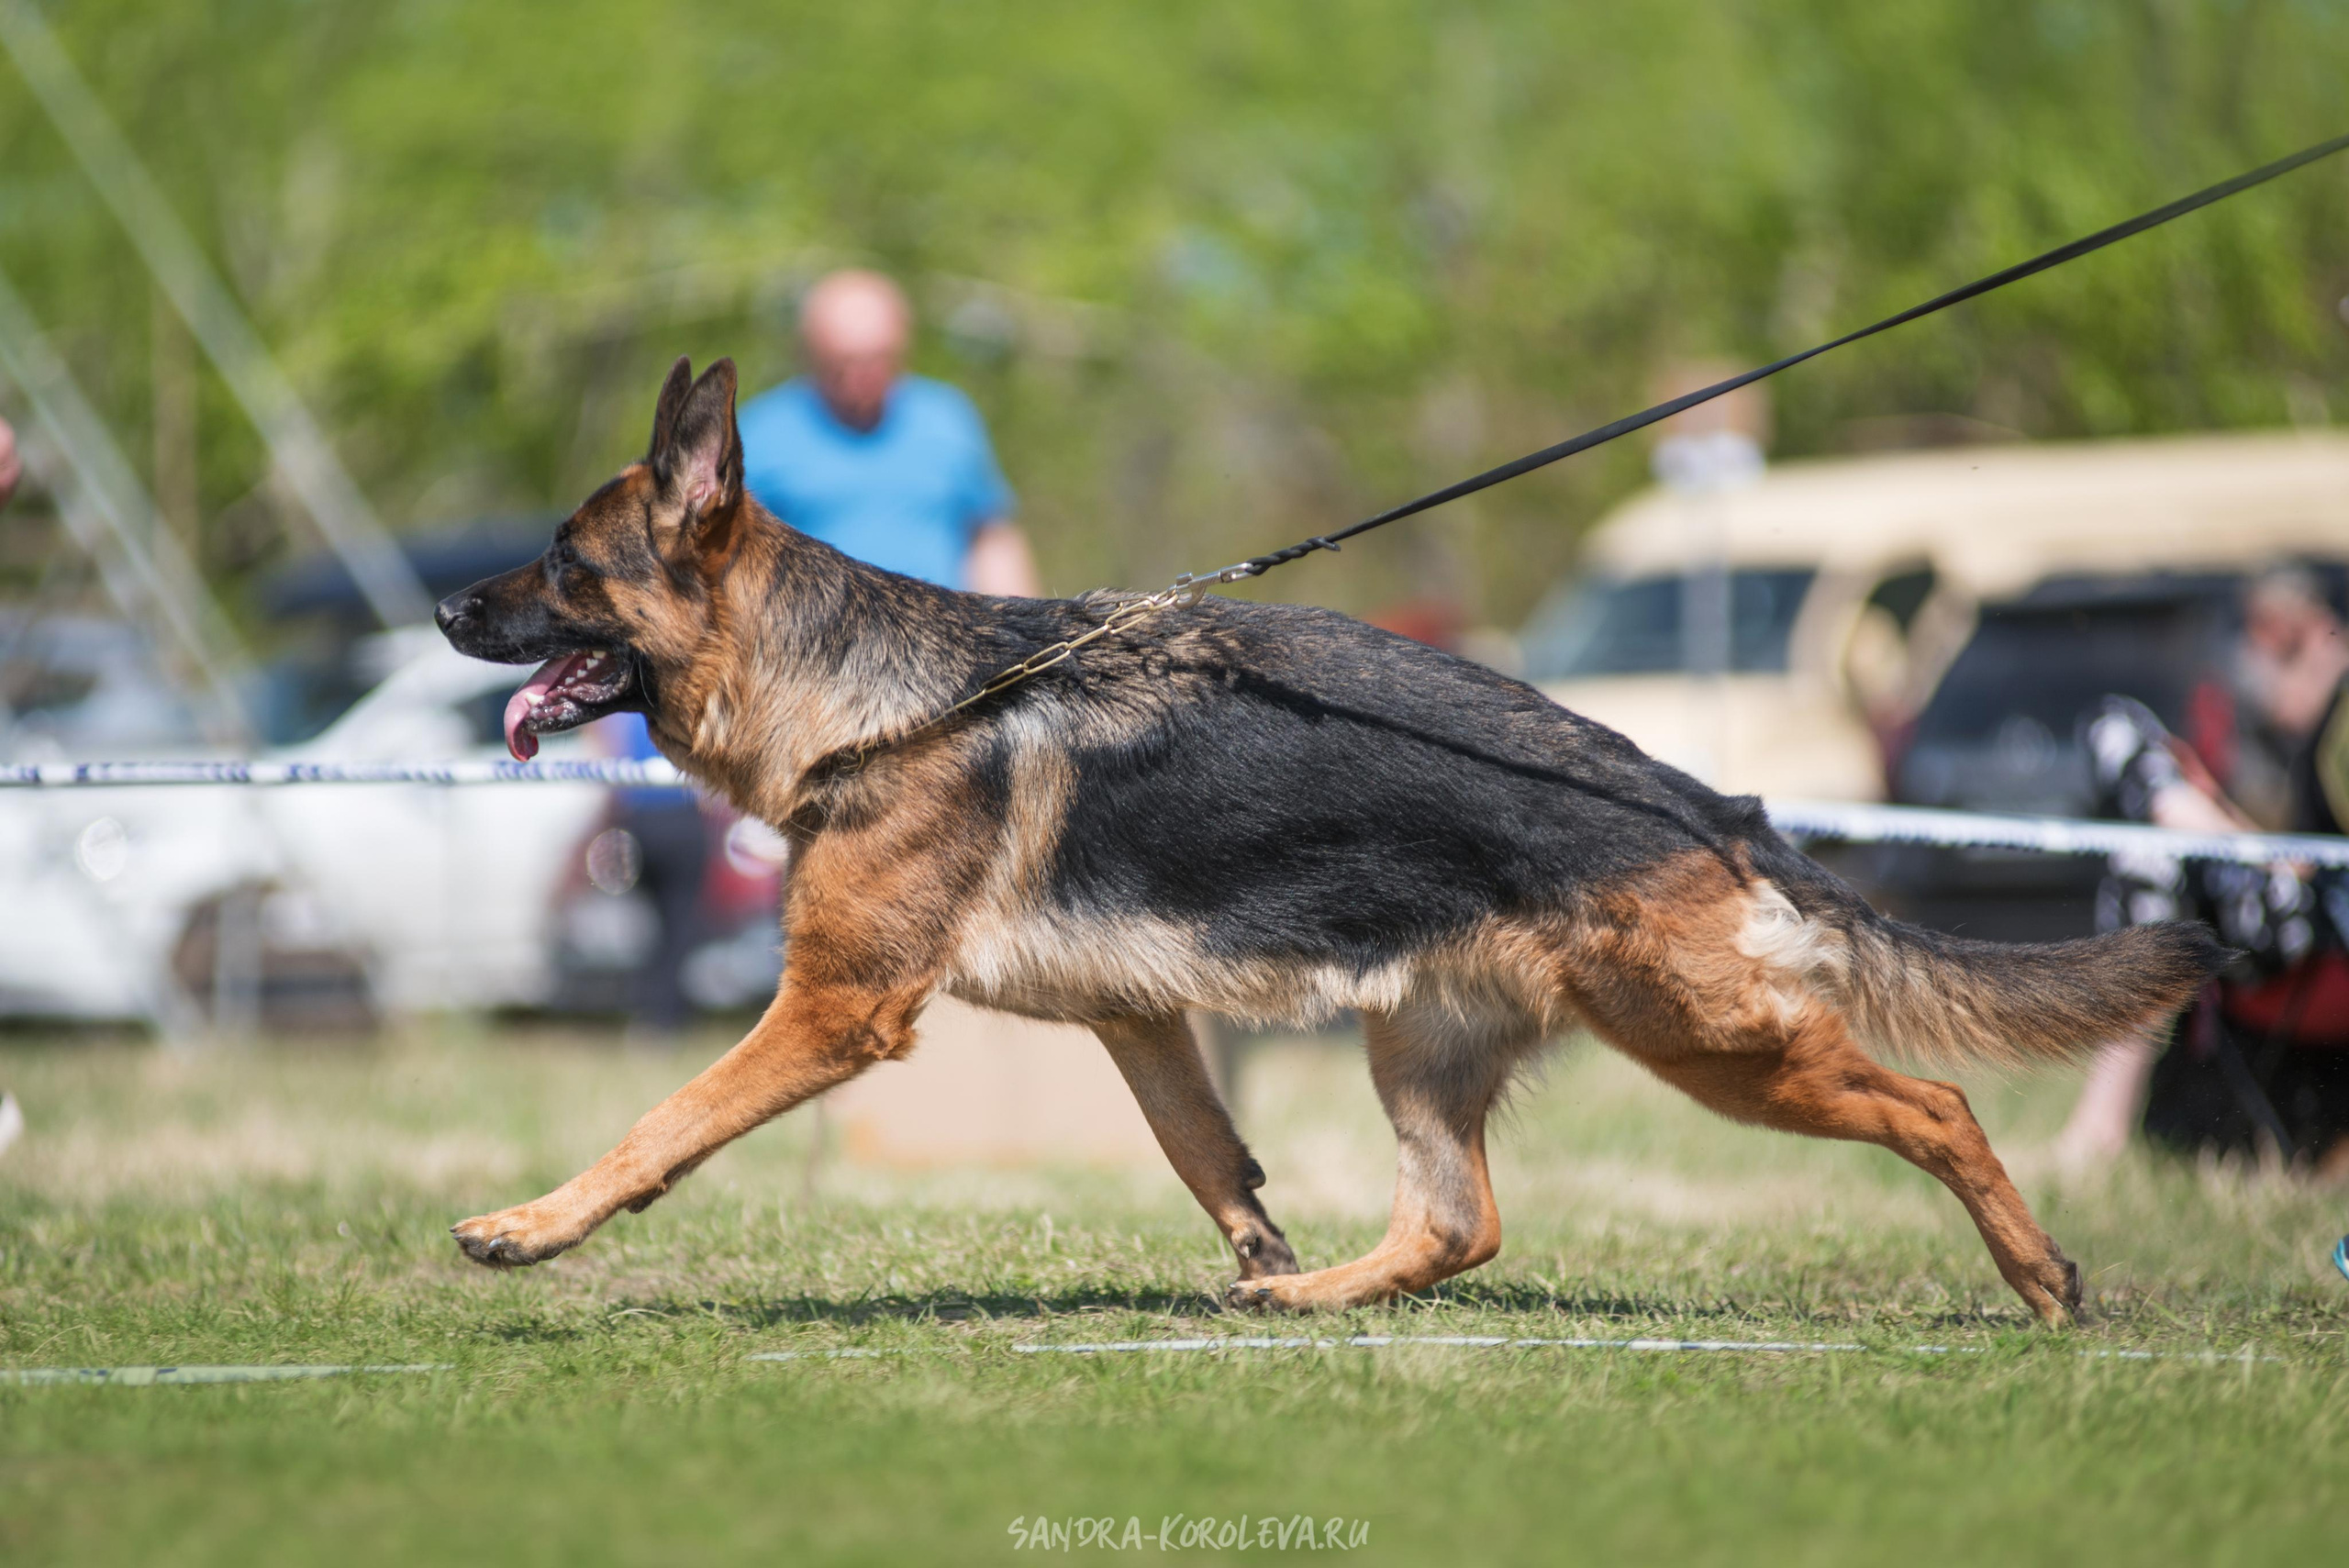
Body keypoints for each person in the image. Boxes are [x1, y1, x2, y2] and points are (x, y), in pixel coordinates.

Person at [2055, 567, 2349, 1170]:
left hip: (2327, 927)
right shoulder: (2278, 733)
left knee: (2155, 852)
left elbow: (2314, 867)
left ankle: (2099, 1131)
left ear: (2314, 635)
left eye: (2280, 651)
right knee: (2118, 732)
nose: (2258, 671)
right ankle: (2182, 812)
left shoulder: (2337, 719)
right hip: (2288, 903)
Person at [735, 269, 1040, 595]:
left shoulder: (947, 418)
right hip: (813, 639)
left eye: (877, 360)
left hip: (942, 635)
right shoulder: (763, 432)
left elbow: (989, 537)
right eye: (844, 364)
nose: (861, 378)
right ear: (812, 354)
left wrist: (1022, 625)